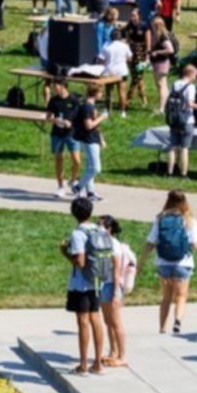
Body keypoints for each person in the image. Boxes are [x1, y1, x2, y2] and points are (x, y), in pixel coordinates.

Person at [142, 190, 197, 334]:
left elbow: (151, 242)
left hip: (163, 263)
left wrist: (142, 261)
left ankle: (162, 327)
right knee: (181, 296)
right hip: (183, 263)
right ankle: (177, 321)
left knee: (166, 297)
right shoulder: (189, 220)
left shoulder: (160, 218)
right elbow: (195, 245)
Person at [60, 196, 106, 377]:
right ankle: (98, 364)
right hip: (98, 281)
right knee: (97, 319)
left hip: (81, 284)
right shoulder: (100, 230)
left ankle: (84, 365)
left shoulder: (78, 234)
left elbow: (80, 261)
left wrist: (65, 253)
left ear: (74, 213)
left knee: (83, 322)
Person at [98, 215, 131, 368]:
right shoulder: (102, 243)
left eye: (100, 225)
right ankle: (113, 352)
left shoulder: (114, 245)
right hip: (104, 285)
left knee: (116, 323)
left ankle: (122, 356)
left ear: (109, 229)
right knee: (108, 321)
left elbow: (117, 270)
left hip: (113, 286)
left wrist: (116, 293)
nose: (97, 228)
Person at [166, 65, 197, 179]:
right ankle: (183, 174)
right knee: (184, 148)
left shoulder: (174, 84)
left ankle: (169, 173)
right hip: (186, 120)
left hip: (174, 119)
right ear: (190, 74)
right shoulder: (190, 87)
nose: (196, 77)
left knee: (173, 147)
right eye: (195, 74)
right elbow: (190, 104)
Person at [48, 79, 82, 198]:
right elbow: (48, 117)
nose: (54, 88)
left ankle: (73, 180)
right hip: (57, 133)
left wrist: (71, 123)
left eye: (56, 86)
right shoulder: (53, 100)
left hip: (72, 134)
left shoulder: (74, 100)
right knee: (59, 159)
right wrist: (54, 120)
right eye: (53, 86)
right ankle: (60, 186)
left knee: (77, 161)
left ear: (64, 86)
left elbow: (79, 117)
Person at [74, 85, 107, 202]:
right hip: (88, 140)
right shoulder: (87, 107)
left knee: (90, 167)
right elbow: (89, 125)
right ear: (96, 93)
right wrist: (102, 117)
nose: (102, 94)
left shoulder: (91, 107)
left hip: (93, 139)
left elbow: (95, 126)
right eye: (101, 92)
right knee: (95, 168)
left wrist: (101, 139)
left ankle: (90, 193)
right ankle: (78, 187)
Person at [99, 30, 131, 118]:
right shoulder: (125, 46)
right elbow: (130, 58)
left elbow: (101, 59)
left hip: (110, 71)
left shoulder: (106, 46)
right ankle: (123, 112)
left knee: (109, 92)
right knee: (122, 91)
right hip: (122, 71)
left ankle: (107, 110)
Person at [148, 16, 175, 114]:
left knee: (161, 85)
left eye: (154, 25)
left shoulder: (163, 36)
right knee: (161, 85)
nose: (152, 26)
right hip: (157, 62)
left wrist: (158, 52)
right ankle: (165, 105)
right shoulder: (157, 35)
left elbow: (170, 50)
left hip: (162, 63)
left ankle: (162, 108)